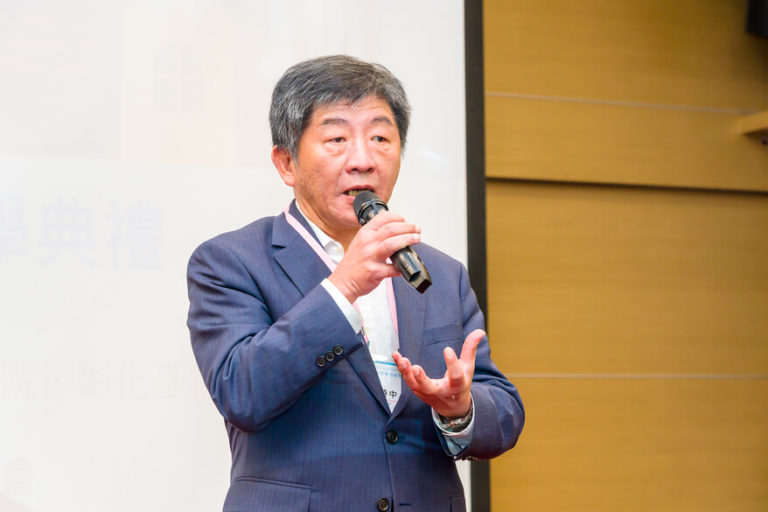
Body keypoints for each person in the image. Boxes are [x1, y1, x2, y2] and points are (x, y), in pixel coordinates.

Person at [186, 55, 524, 512]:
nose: (363, 161)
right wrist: (343, 287)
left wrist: (460, 409)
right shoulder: (231, 261)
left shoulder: (442, 273)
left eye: (381, 138)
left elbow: (504, 413)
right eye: (337, 139)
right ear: (286, 163)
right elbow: (242, 391)